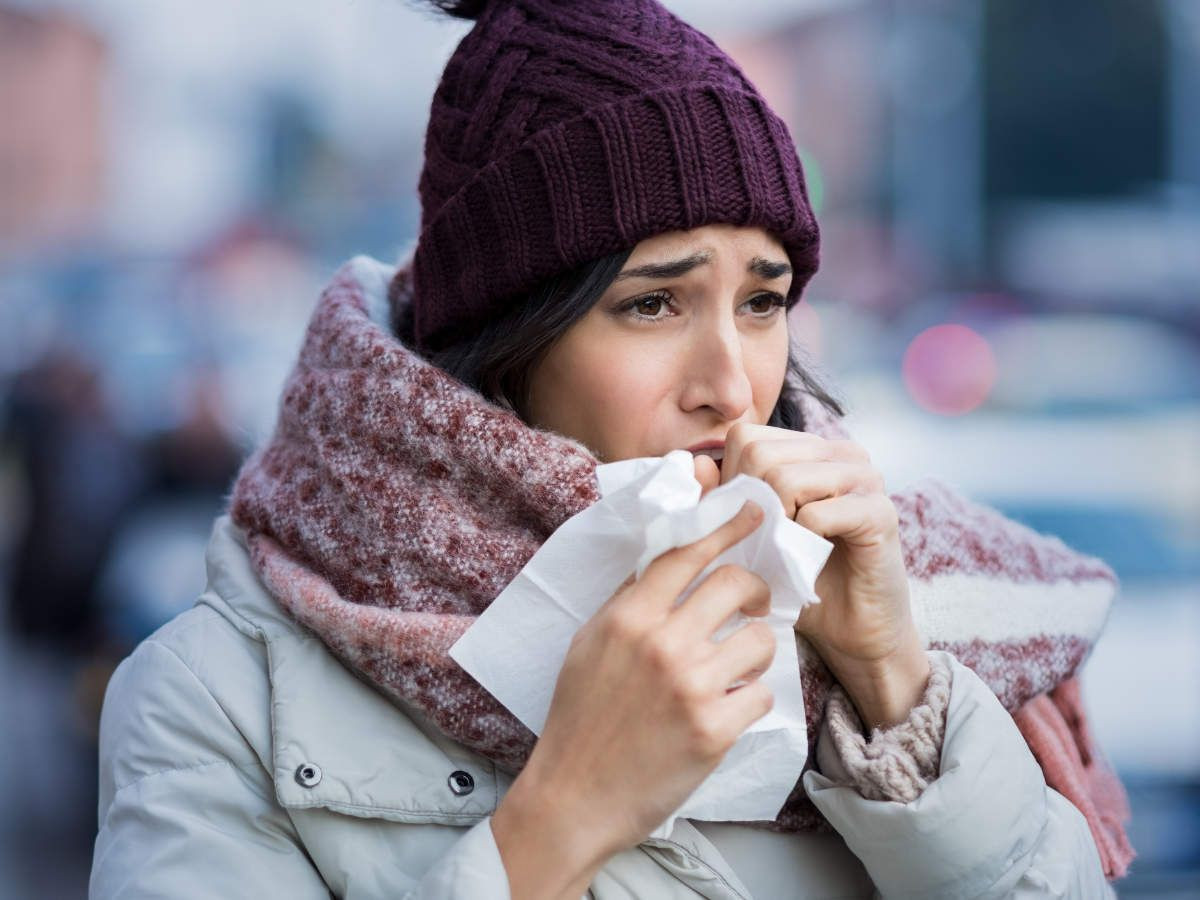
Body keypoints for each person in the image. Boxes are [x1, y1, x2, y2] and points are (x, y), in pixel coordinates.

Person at [89, 1, 1132, 897]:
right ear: (508, 340)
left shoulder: (881, 592)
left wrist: (895, 681)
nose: (732, 383)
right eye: (653, 303)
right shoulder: (219, 697)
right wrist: (559, 819)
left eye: (764, 300)